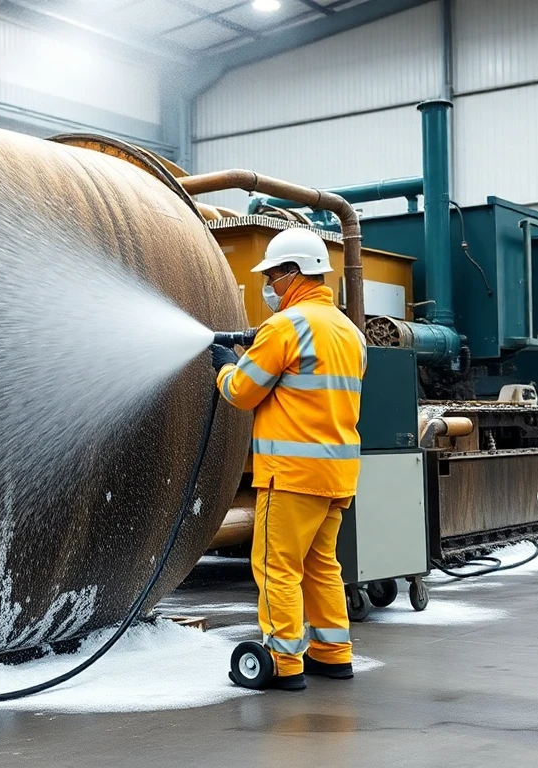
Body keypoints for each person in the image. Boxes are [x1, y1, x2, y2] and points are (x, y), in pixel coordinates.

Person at [210, 227, 366, 691]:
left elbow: (242, 391)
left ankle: (282, 661)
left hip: (292, 476)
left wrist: (223, 364)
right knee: (322, 565)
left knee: (275, 567)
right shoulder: (350, 333)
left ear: (294, 273)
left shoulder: (285, 327)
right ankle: (333, 654)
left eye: (273, 275)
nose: (269, 285)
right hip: (336, 475)